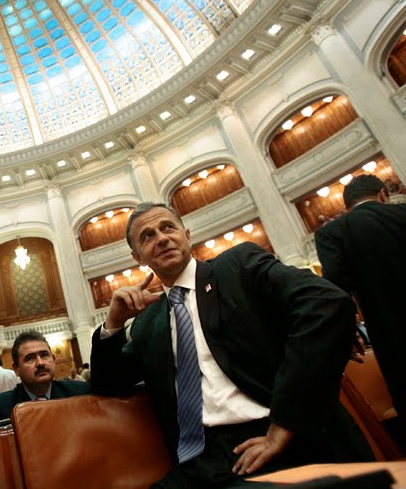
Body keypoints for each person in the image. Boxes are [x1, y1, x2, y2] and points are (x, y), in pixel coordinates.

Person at [91, 202, 372, 488]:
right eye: (148, 236)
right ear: (137, 257)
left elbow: (326, 303)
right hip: (200, 462)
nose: (161, 238)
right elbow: (107, 384)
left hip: (279, 440)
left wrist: (286, 423)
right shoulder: (147, 323)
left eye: (168, 227)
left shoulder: (238, 266)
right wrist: (113, 323)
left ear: (186, 235)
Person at [315, 174, 406, 433]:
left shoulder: (332, 233)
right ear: (383, 195)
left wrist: (345, 333)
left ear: (347, 207)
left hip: (392, 334)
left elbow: (336, 289)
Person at [0, 331, 90, 426]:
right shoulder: (0, 408)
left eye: (44, 355)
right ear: (16, 369)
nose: (40, 363)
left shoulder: (80, 393)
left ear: (53, 360)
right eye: (30, 358)